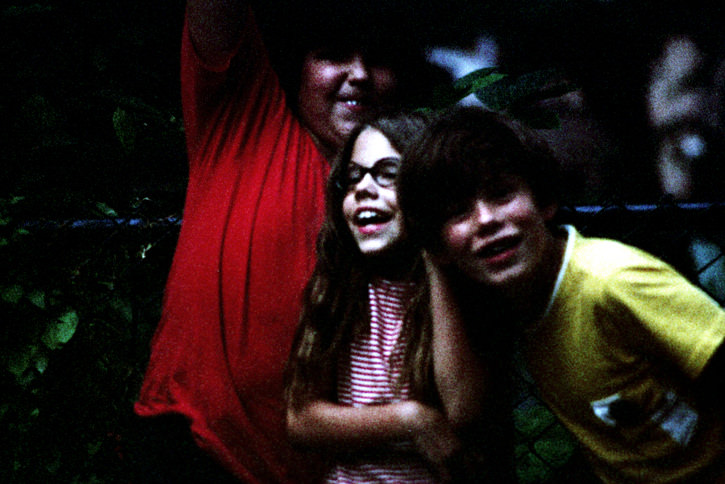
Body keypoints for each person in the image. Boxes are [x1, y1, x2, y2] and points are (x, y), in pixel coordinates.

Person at [132, 1, 434, 482]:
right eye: (334, 55)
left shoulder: (411, 201)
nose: (359, 74)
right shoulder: (245, 119)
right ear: (299, 68)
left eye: (377, 60)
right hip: (194, 445)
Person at [397, 106, 725, 483]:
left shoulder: (611, 281)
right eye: (457, 212)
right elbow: (463, 412)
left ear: (544, 201)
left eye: (502, 194)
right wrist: (433, 256)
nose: (486, 219)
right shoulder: (514, 300)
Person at [284, 111, 507, 483]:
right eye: (352, 177)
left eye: (387, 173)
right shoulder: (340, 288)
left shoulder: (463, 286)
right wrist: (412, 421)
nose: (363, 188)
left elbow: (463, 412)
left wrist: (433, 254)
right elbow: (301, 420)